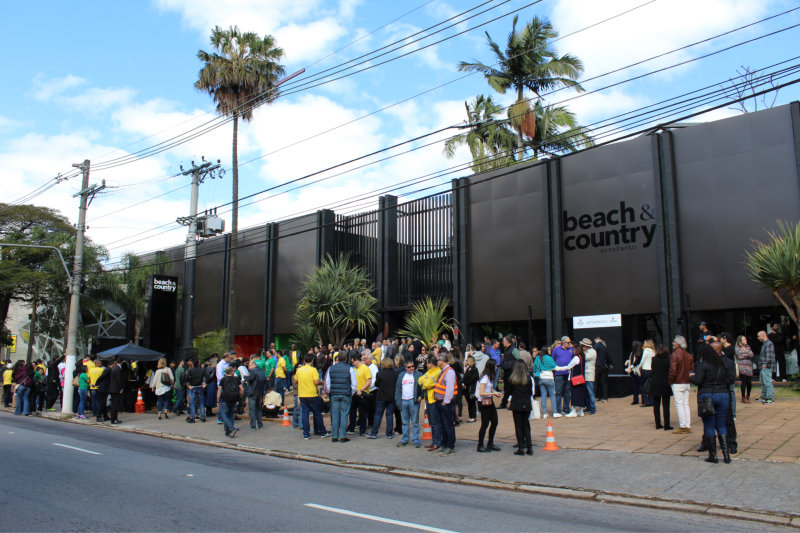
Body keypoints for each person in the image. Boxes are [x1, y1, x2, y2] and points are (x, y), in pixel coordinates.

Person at [691, 343, 735, 464]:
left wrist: (691, 377)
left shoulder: (703, 365)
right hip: (723, 394)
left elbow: (698, 381)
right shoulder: (721, 364)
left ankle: (713, 455)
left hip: (707, 395)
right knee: (721, 425)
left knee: (709, 425)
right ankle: (726, 455)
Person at [293, 354, 330, 440]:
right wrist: (322, 382)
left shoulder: (299, 370)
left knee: (305, 414)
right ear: (312, 361)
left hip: (302, 395)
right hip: (312, 394)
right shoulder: (313, 370)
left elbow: (295, 381)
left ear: (304, 361)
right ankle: (322, 431)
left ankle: (306, 433)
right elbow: (316, 382)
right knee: (317, 414)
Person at [325, 352, 355, 442]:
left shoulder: (331, 368)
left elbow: (327, 382)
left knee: (335, 415)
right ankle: (342, 435)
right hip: (346, 394)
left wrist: (330, 391)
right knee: (344, 414)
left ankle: (334, 436)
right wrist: (351, 392)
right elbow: (354, 383)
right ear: (346, 359)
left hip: (334, 394)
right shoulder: (350, 368)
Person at [507, 360, 534, 456]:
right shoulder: (528, 378)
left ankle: (521, 447)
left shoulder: (513, 379)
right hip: (526, 404)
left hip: (516, 404)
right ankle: (529, 447)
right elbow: (531, 392)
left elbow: (509, 391)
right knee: (526, 425)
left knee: (518, 426)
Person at [433, 352, 458, 456]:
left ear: (442, 361)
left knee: (448, 425)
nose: (437, 362)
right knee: (443, 425)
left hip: (446, 403)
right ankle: (444, 444)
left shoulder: (449, 372)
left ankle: (450, 446)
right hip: (441, 402)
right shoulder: (444, 371)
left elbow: (450, 388)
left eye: (438, 360)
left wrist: (446, 402)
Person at [395, 359, 423, 448]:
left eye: (413, 366)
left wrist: (420, 396)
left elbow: (423, 387)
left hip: (413, 400)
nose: (411, 368)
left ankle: (415, 439)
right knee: (405, 422)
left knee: (415, 421)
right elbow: (398, 388)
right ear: (405, 368)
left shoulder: (418, 375)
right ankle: (405, 439)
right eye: (409, 367)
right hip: (403, 400)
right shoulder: (401, 375)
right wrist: (398, 400)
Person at [669, 336, 694, 434]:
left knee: (679, 404)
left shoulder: (674, 355)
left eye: (674, 341)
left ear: (678, 343)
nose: (673, 343)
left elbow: (673, 370)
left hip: (678, 382)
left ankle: (683, 425)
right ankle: (687, 425)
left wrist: (671, 381)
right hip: (686, 382)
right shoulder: (689, 355)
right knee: (686, 404)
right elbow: (692, 370)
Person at [476, 359, 502, 453]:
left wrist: (495, 392)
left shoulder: (490, 377)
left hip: (489, 401)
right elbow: (482, 392)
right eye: (495, 366)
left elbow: (490, 389)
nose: (496, 368)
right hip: (483, 402)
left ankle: (490, 443)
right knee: (485, 424)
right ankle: (480, 445)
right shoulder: (485, 378)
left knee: (494, 421)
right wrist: (494, 394)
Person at [369, 358, 398, 439]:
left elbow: (376, 384)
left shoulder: (380, 374)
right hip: (392, 397)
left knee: (378, 415)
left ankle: (374, 433)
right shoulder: (395, 374)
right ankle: (389, 434)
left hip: (381, 396)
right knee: (389, 415)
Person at [420, 355, 442, 452]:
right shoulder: (430, 372)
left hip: (434, 400)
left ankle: (437, 442)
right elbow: (420, 380)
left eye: (427, 362)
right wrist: (425, 382)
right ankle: (434, 441)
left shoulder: (437, 372)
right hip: (428, 399)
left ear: (431, 363)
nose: (426, 364)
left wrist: (425, 382)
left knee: (435, 422)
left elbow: (426, 384)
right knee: (432, 422)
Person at [649, 345, 673, 430]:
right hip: (665, 383)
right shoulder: (668, 360)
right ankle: (667, 424)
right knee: (666, 406)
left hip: (655, 383)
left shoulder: (654, 360)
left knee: (656, 405)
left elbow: (652, 369)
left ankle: (658, 424)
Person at [347, 356, 372, 436]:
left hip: (362, 393)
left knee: (362, 412)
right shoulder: (353, 369)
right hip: (354, 393)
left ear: (357, 360)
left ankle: (362, 430)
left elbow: (369, 381)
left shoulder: (365, 368)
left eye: (353, 362)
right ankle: (351, 428)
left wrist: (361, 390)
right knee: (352, 412)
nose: (352, 364)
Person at [217, 366, 242, 438]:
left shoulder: (223, 379)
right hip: (234, 398)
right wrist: (240, 396)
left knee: (224, 414)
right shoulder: (236, 379)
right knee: (231, 414)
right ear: (231, 372)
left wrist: (218, 400)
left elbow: (219, 390)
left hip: (225, 398)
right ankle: (227, 431)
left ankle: (231, 429)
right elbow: (242, 389)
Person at [552, 336, 574, 416]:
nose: (569, 344)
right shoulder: (556, 349)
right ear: (563, 343)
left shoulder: (571, 350)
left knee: (567, 392)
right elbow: (552, 360)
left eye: (570, 342)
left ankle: (566, 409)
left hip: (568, 374)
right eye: (568, 343)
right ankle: (558, 410)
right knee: (558, 392)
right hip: (559, 374)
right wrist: (556, 368)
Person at [533, 347, 556, 418]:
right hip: (549, 378)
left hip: (541, 378)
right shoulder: (549, 358)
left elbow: (535, 366)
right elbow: (554, 366)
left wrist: (534, 373)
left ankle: (544, 413)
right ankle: (555, 412)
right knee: (552, 395)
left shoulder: (538, 358)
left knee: (543, 395)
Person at [245, 358, 266, 430]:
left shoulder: (253, 371)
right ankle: (260, 424)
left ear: (253, 365)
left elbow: (250, 379)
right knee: (259, 409)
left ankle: (253, 425)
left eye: (249, 365)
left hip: (253, 392)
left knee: (252, 409)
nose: (248, 367)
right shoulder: (261, 371)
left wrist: (245, 377)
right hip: (260, 392)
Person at [184, 358, 207, 423]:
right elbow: (206, 376)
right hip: (200, 386)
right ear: (198, 363)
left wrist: (188, 385)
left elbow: (186, 378)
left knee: (192, 403)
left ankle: (192, 417)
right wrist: (204, 383)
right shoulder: (202, 370)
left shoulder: (190, 370)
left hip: (193, 387)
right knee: (201, 403)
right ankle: (203, 417)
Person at [757, 330, 775, 404]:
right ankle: (764, 397)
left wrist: (765, 364)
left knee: (767, 382)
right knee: (763, 382)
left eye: (759, 336)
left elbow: (769, 355)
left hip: (766, 366)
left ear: (763, 335)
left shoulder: (768, 344)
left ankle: (771, 398)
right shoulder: (765, 344)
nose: (758, 338)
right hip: (763, 366)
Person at [499, 336, 517, 409]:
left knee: (510, 388)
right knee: (507, 388)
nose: (503, 342)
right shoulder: (506, 349)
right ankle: (505, 403)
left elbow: (519, 359)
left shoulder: (514, 349)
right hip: (507, 371)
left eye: (504, 341)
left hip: (511, 371)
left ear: (507, 342)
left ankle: (507, 403)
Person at [735, 335, 754, 403]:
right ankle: (743, 397)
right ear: (740, 340)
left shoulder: (747, 346)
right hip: (741, 366)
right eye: (744, 339)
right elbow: (739, 356)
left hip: (749, 366)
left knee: (749, 382)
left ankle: (748, 395)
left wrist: (744, 354)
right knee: (744, 381)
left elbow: (752, 354)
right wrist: (747, 354)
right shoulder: (737, 347)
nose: (745, 340)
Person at [637, 339, 655, 407]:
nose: (643, 344)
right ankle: (651, 401)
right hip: (651, 370)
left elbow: (643, 360)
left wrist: (639, 366)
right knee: (650, 385)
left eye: (644, 343)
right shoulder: (653, 351)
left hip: (645, 369)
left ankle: (645, 401)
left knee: (643, 385)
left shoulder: (646, 350)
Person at [581, 339, 597, 414]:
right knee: (586, 393)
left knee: (590, 392)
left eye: (583, 346)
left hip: (589, 374)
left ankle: (593, 407)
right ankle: (588, 406)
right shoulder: (586, 352)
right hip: (584, 374)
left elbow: (584, 358)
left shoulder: (592, 352)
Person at [593, 337, 611, 403]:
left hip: (597, 366)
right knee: (603, 383)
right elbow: (608, 356)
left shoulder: (596, 346)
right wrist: (610, 364)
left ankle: (595, 397)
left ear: (596, 340)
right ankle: (604, 397)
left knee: (596, 382)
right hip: (604, 367)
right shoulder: (604, 346)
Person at [461, 355, 479, 423]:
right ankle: (470, 416)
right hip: (466, 389)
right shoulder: (468, 368)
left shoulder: (474, 369)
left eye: (467, 360)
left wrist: (466, 383)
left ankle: (473, 417)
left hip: (471, 388)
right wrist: (463, 383)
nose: (466, 361)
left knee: (472, 402)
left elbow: (473, 379)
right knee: (469, 402)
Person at [625, 341, 643, 405]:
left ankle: (643, 399)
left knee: (640, 385)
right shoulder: (632, 353)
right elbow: (631, 360)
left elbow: (637, 362)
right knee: (634, 386)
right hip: (632, 371)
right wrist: (628, 362)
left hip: (637, 371)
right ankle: (635, 399)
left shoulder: (639, 353)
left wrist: (631, 366)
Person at [108, 359, 124, 425]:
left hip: (113, 389)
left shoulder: (114, 368)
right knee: (115, 405)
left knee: (114, 405)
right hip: (116, 389)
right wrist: (120, 388)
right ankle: (114, 419)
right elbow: (118, 379)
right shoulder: (117, 369)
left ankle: (114, 418)